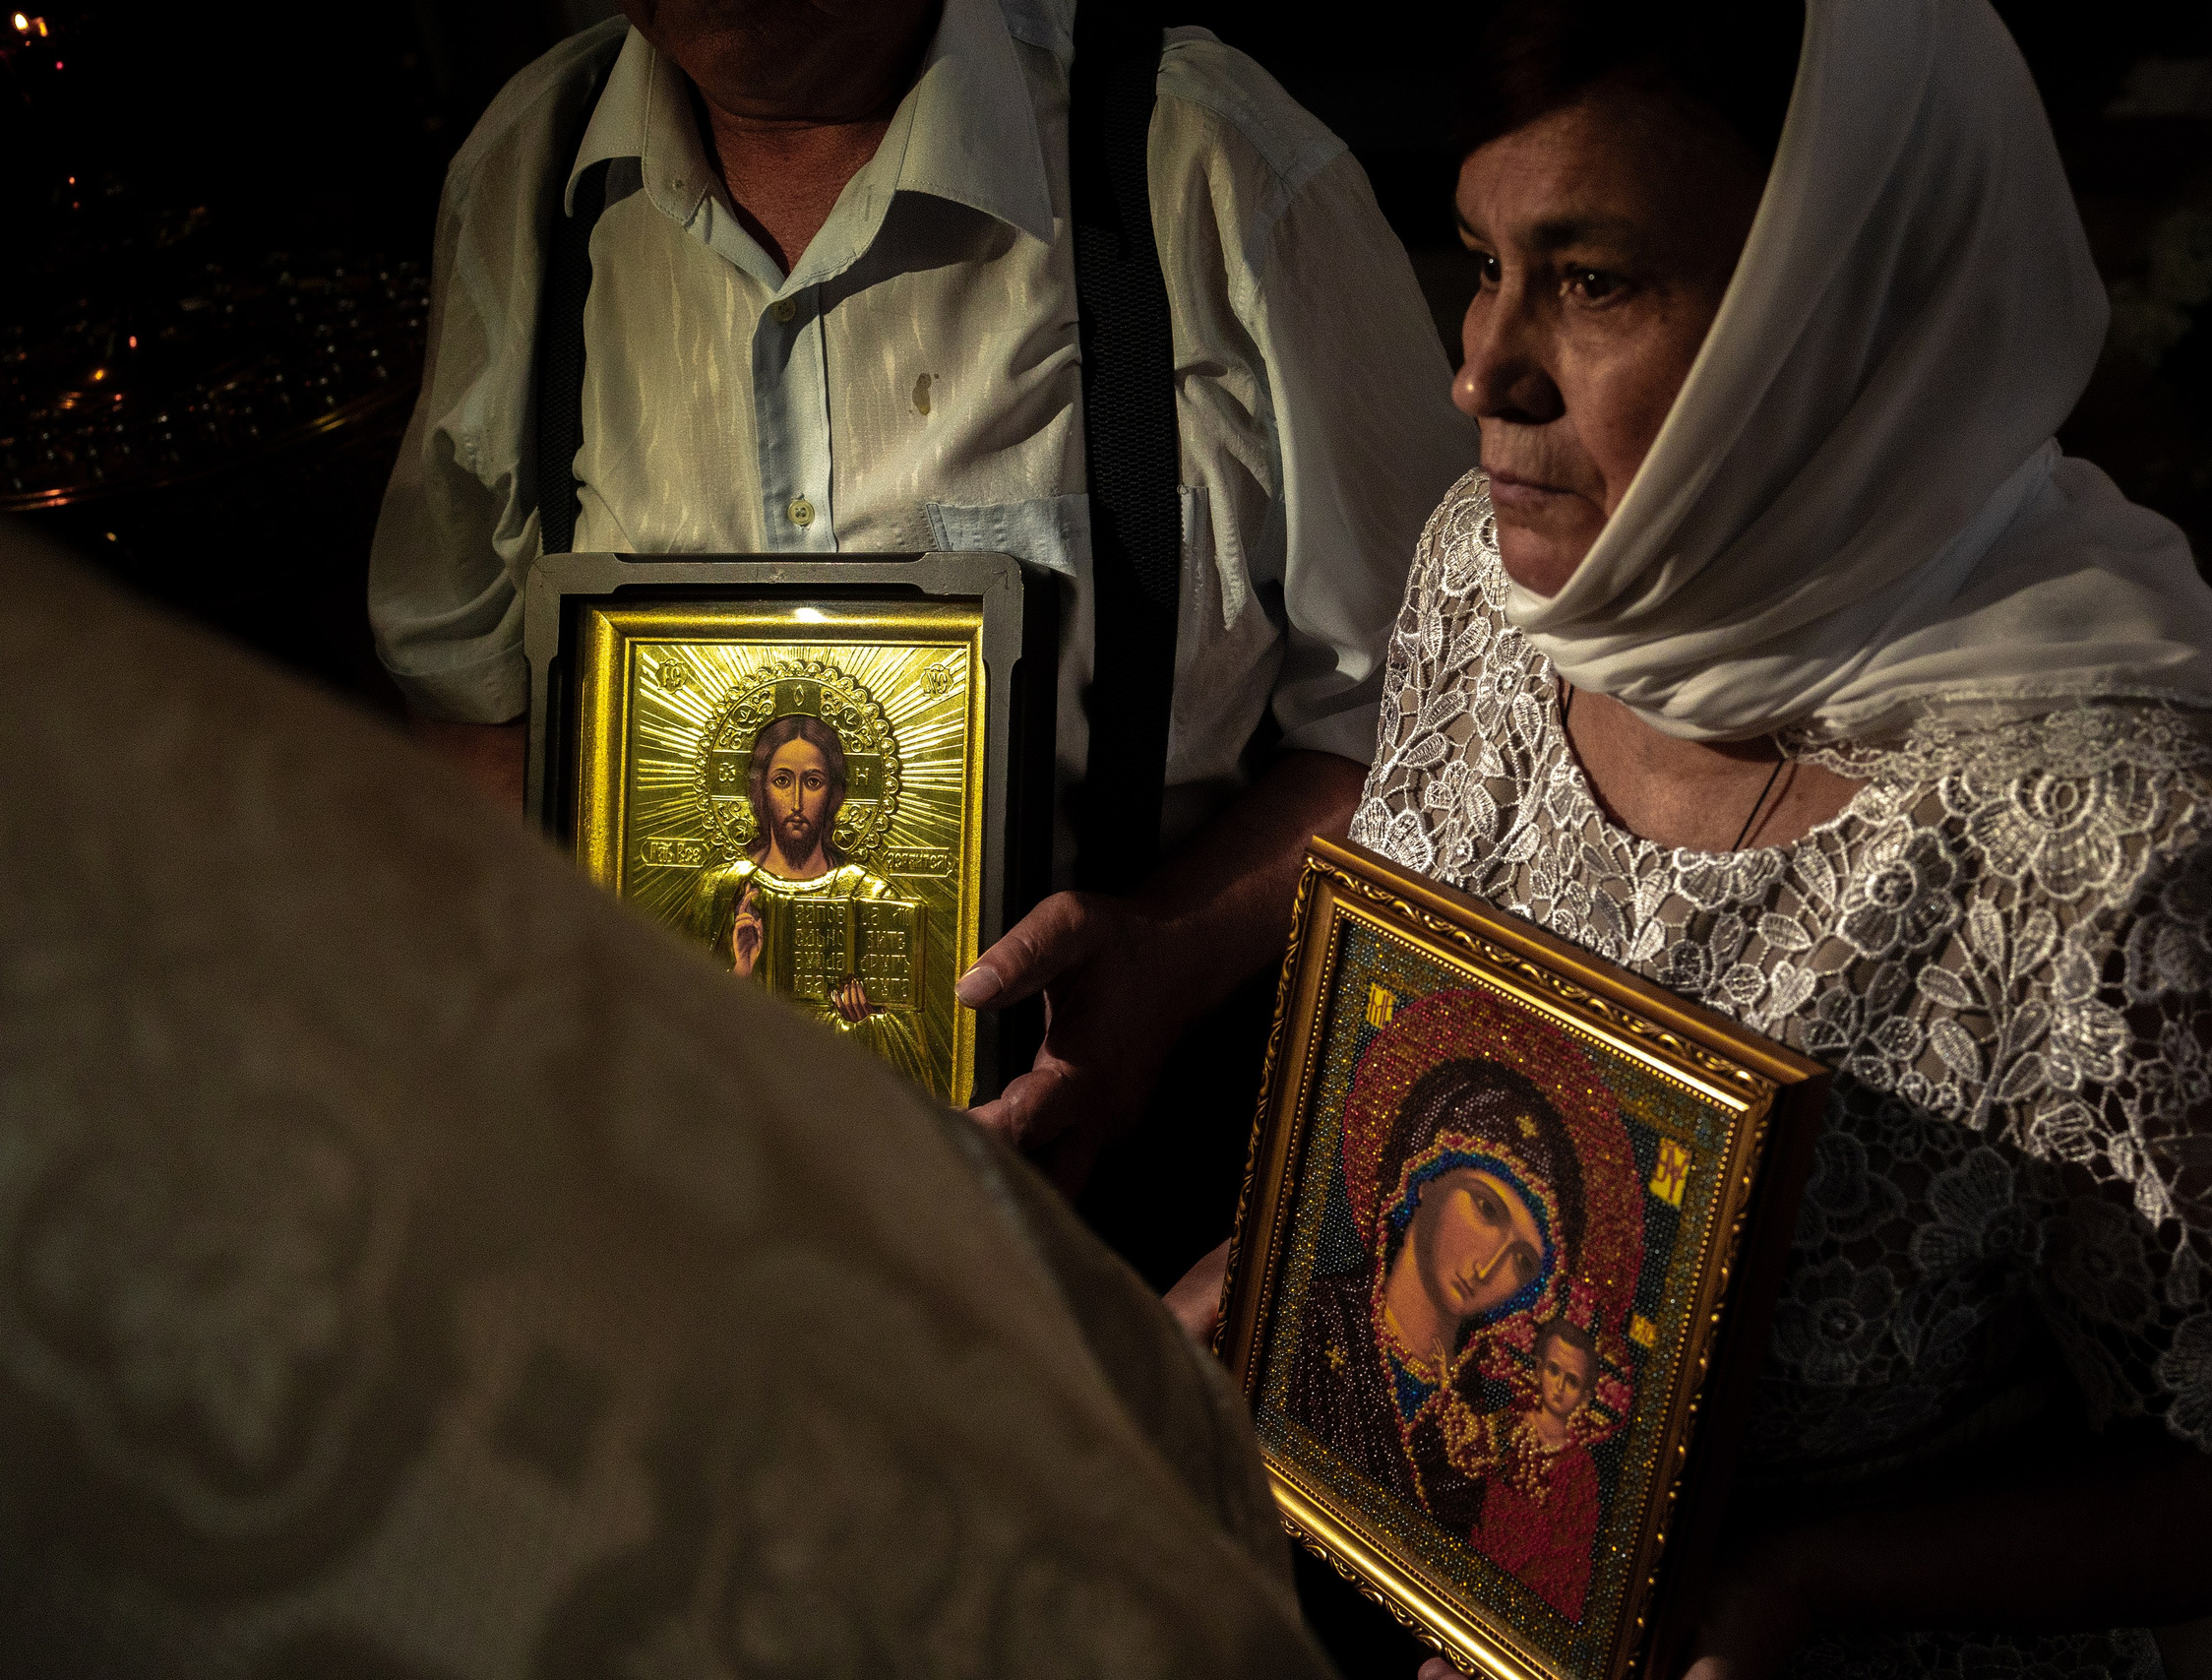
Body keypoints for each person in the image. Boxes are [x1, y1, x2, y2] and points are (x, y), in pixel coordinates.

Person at [1323, 0, 2212, 1674]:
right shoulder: (1499, 589)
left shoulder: (2138, 843)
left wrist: (1797, 1582)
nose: (1479, 364)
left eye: (1593, 280)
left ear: (1836, 306)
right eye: (1483, 259)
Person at [0, 518, 1337, 1679]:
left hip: (1006, 1172)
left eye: (822, 776)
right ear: (754, 784)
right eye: (782, 775)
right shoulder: (691, 910)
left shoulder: (865, 901)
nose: (801, 794)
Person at [368, 0, 1476, 1203]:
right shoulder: (531, 167)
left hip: (1130, 1196)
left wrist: (1174, 949)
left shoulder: (1213, 165)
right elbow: (470, 698)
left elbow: (1433, 726)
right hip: (678, 1195)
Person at [1286, 1050, 1588, 1537]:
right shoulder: (1315, 1319)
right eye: (1487, 1209)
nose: (1489, 1268)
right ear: (1425, 1177)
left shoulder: (1481, 1416)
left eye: (1523, 1261)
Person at [685, 711, 943, 1088]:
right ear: (760, 790)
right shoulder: (721, 891)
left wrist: (864, 1020)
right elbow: (676, 1026)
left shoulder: (870, 896)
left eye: (813, 782)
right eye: (782, 780)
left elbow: (918, 1055)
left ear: (835, 795)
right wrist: (740, 972)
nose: (796, 800)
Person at [1467, 1318, 1605, 1623]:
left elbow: (1574, 1556)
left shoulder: (1581, 1469)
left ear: (1585, 1395)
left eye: (1571, 1381)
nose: (1558, 1387)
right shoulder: (1509, 1425)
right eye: (1554, 1370)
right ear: (1539, 1368)